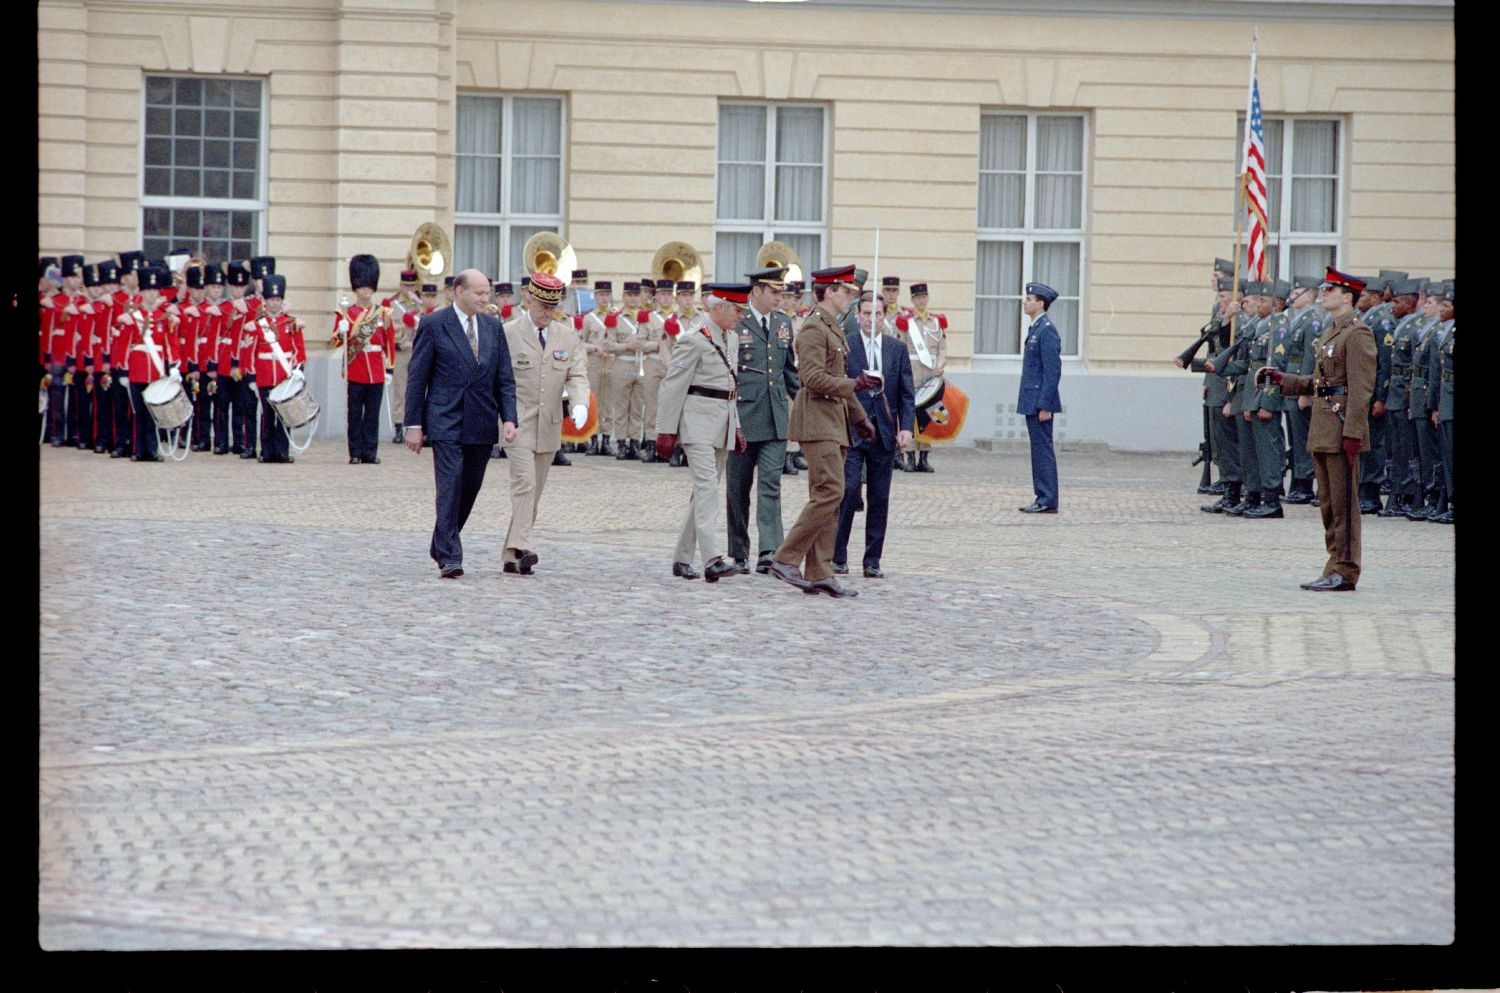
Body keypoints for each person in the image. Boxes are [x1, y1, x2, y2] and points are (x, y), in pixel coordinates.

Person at [1256, 267, 1377, 591]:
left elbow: (1361, 388)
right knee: (1328, 503)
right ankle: (1333, 564)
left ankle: (1346, 570)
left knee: (1343, 505)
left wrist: (1353, 432)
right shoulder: (1331, 331)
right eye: (1323, 290)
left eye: (1329, 291)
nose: (1323, 295)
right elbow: (1320, 382)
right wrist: (1284, 381)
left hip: (1340, 427)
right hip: (1324, 425)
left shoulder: (1357, 333)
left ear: (1346, 296)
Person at [765, 264, 877, 598]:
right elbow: (812, 378)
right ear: (829, 292)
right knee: (831, 492)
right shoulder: (814, 328)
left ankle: (820, 571)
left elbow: (839, 375)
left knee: (829, 495)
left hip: (834, 421)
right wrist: (855, 384)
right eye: (847, 292)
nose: (851, 299)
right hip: (817, 420)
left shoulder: (833, 327)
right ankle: (786, 558)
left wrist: (859, 418)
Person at [404, 269, 517, 578]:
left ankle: (441, 541)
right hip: (445, 418)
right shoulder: (434, 324)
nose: (485, 298)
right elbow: (417, 378)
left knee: (469, 488)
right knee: (450, 484)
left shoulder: (494, 327)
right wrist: (413, 423)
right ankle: (451, 556)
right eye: (479, 292)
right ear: (459, 291)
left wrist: (509, 418)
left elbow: (504, 378)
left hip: (480, 419)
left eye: (487, 293)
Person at [655, 283, 748, 582]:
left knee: (703, 494)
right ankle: (712, 559)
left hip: (721, 424)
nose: (740, 316)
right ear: (718, 308)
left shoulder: (730, 338)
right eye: (736, 310)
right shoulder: (694, 339)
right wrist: (666, 431)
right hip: (696, 423)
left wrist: (736, 427)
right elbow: (673, 385)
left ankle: (682, 558)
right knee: (708, 488)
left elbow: (730, 388)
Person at [499, 272, 589, 575]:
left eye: (552, 308)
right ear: (528, 299)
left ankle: (511, 554)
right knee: (524, 483)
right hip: (516, 422)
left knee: (534, 491)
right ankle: (523, 547)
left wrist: (579, 403)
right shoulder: (509, 333)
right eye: (542, 306)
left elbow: (577, 374)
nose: (547, 313)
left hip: (549, 424)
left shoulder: (566, 335)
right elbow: (497, 379)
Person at [833, 295, 915, 578]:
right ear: (858, 315)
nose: (872, 319)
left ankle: (872, 560)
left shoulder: (896, 349)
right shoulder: (847, 345)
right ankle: (838, 556)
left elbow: (906, 393)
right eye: (867, 313)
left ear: (884, 316)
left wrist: (906, 427)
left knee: (879, 497)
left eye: (877, 314)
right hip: (854, 430)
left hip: (884, 432)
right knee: (849, 490)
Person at [725, 265, 800, 575]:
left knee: (771, 485)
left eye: (781, 292)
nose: (779, 297)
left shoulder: (784, 324)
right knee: (738, 488)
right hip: (742, 419)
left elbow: (789, 372)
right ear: (756, 291)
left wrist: (809, 402)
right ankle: (739, 551)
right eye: (773, 291)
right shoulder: (737, 322)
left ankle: (770, 551)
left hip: (774, 418)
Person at [330, 254, 394, 465]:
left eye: (369, 287)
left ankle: (370, 452)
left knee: (372, 416)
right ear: (355, 288)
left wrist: (389, 368)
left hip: (376, 369)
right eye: (362, 287)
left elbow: (389, 343)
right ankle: (355, 452)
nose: (365, 291)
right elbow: (335, 342)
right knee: (355, 414)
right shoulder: (346, 312)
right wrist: (341, 331)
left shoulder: (382, 313)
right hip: (355, 367)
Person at [250, 274, 307, 464]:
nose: (275, 303)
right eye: (271, 300)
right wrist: (251, 375)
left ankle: (282, 451)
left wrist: (299, 368)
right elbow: (251, 351)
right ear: (265, 302)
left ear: (282, 302)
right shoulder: (258, 324)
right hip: (265, 374)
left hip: (284, 376)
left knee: (284, 415)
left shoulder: (291, 323)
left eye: (278, 300)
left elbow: (298, 348)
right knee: (267, 415)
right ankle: (266, 451)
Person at [1017, 281, 1063, 513]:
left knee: (1043, 450)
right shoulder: (1036, 328)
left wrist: (1045, 404)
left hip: (1040, 402)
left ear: (1040, 303)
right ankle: (1042, 496)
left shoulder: (1046, 330)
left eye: (1029, 299)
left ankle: (1047, 498)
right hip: (1032, 399)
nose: (1025, 302)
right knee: (1038, 450)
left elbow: (1052, 371)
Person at [893, 281, 947, 472]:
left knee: (929, 415)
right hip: (913, 373)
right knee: (911, 415)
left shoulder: (936, 322)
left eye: (924, 297)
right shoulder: (906, 323)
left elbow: (942, 348)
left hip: (931, 376)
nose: (921, 300)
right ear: (913, 300)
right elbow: (900, 348)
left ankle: (924, 457)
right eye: (918, 298)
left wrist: (940, 366)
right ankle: (909, 456)